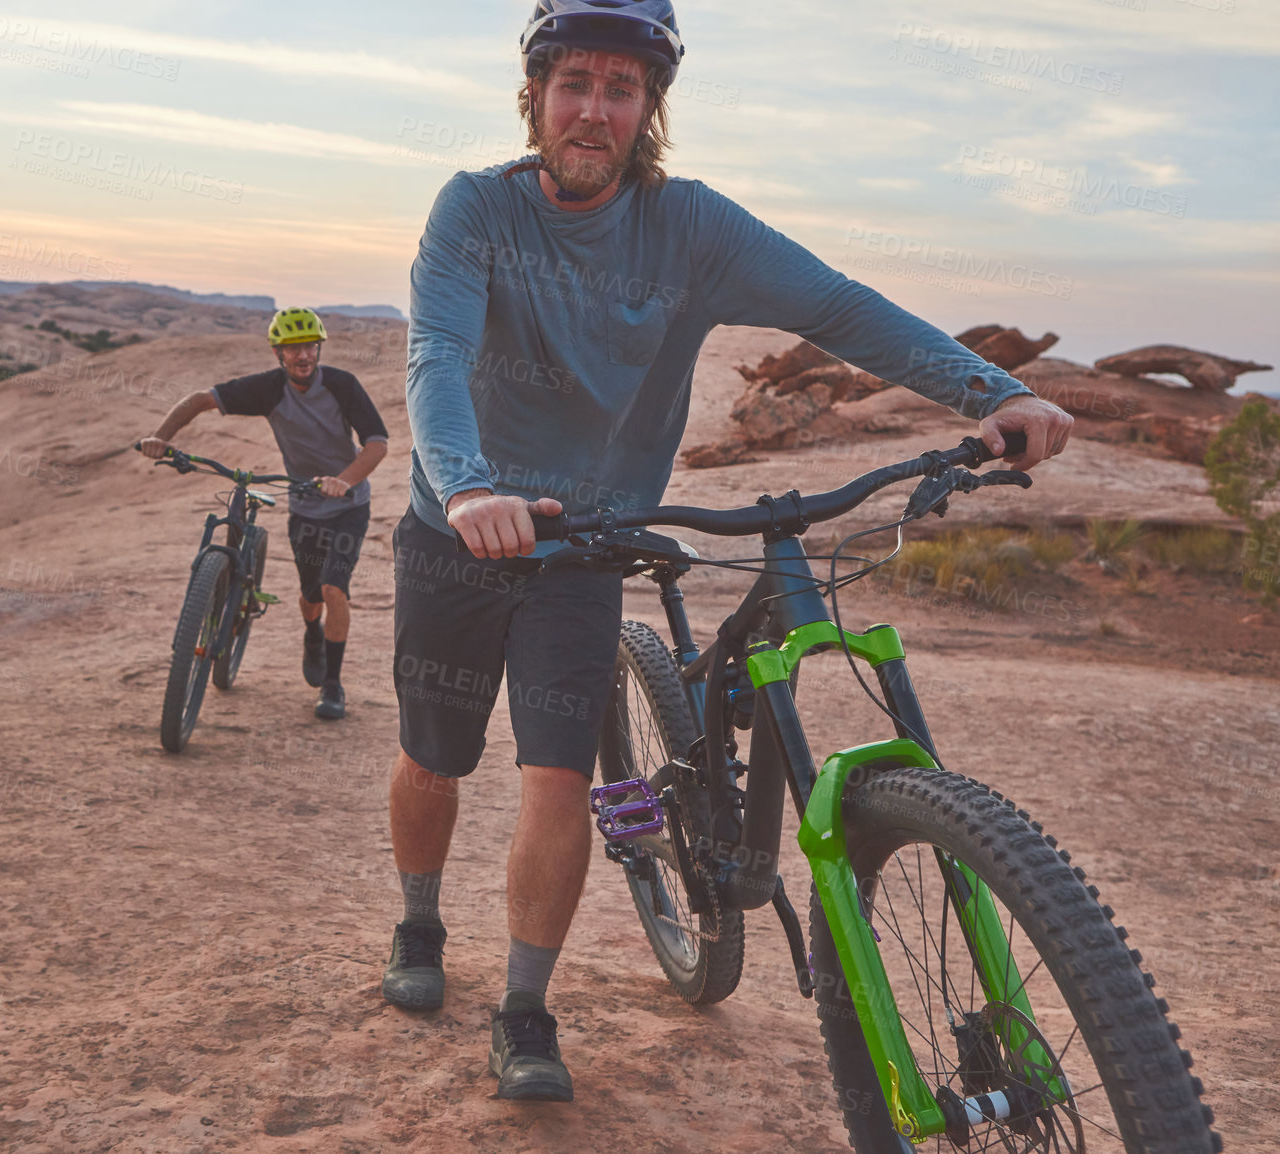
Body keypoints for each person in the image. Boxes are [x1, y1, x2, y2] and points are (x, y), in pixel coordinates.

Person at [382, 0, 1074, 1103]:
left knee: (555, 775)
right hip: (458, 532)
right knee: (435, 759)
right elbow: (437, 349)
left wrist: (992, 389)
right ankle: (418, 919)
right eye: (575, 84)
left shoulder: (691, 228)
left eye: (621, 88)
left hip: (585, 544)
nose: (594, 110)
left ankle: (523, 1004)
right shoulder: (475, 209)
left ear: (650, 105)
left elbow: (839, 307)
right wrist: (468, 486)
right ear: (535, 93)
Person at [139, 308, 388, 719]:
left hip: (347, 507)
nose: (303, 356)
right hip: (305, 506)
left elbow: (377, 442)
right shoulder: (270, 389)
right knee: (310, 596)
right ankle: (312, 632)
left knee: (332, 588)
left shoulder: (342, 385)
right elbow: (201, 399)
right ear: (277, 353)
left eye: (309, 346)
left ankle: (332, 684)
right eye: (293, 349)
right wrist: (160, 438)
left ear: (319, 348)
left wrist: (344, 480)